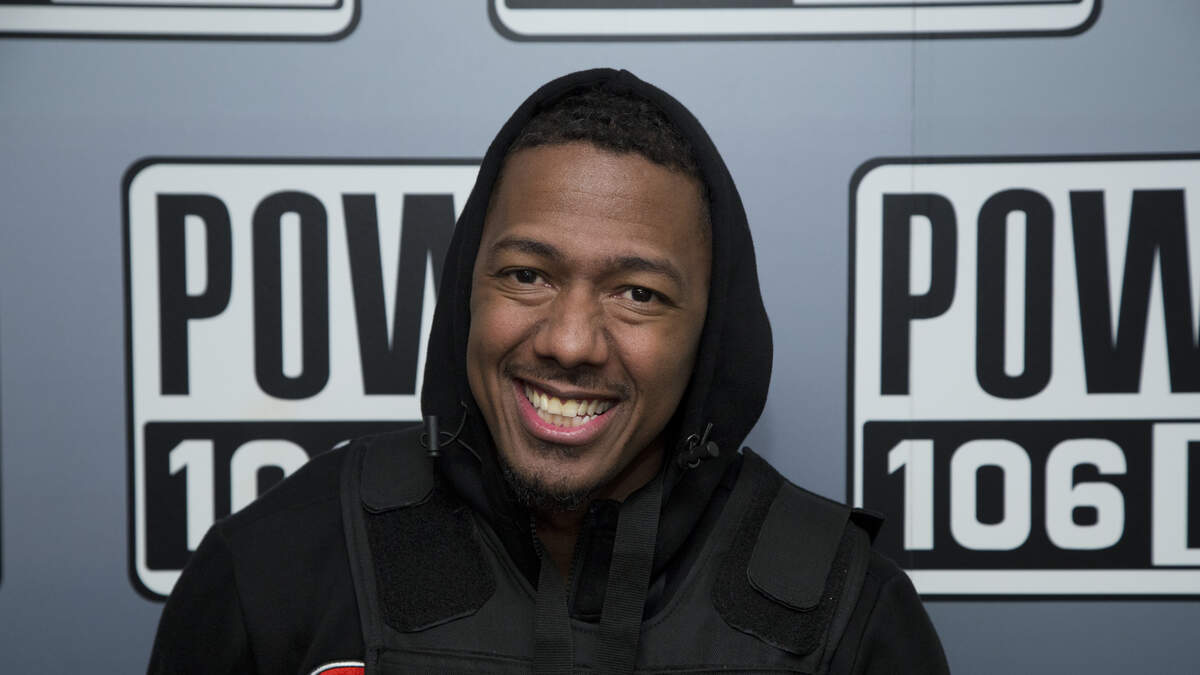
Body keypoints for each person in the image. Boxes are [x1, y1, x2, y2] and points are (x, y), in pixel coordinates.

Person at [148, 68, 949, 675]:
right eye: (527, 274)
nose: (570, 342)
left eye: (638, 293)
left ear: (708, 333)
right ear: (467, 288)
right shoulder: (281, 565)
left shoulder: (846, 612)